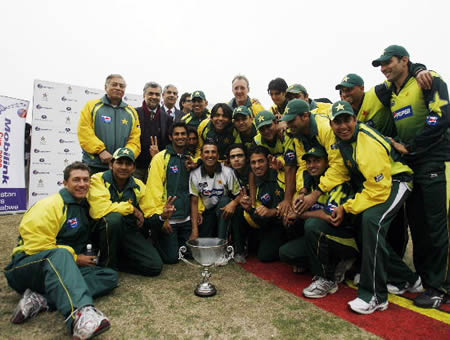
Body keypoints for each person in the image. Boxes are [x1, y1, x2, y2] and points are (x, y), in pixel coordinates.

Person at [372, 45, 449, 308]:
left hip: (433, 160)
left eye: (388, 62)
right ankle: (427, 282)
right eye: (380, 65)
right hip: (411, 167)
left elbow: (439, 117)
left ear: (404, 60)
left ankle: (440, 287)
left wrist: (412, 146)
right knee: (418, 227)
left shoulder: (429, 80)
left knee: (435, 227)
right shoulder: (390, 92)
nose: (383, 69)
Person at [4, 162, 117, 339]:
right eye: (76, 180)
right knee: (61, 254)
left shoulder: (85, 206)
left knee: (108, 276)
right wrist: (75, 258)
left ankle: (40, 299)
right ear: (65, 183)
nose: (82, 184)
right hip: (27, 266)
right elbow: (36, 247)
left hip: (58, 271)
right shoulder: (50, 205)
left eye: (86, 180)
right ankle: (81, 315)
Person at [328, 100, 422, 314]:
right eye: (337, 122)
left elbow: (379, 188)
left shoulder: (366, 141)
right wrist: (316, 190)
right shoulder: (342, 140)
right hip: (380, 184)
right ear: (332, 125)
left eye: (347, 120)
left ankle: (375, 296)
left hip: (398, 180)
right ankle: (409, 279)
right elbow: (341, 171)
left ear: (355, 119)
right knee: (366, 223)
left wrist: (347, 207)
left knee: (372, 221)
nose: (343, 126)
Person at [87, 148, 163, 277]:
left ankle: (116, 261)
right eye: (119, 163)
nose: (123, 167)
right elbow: (99, 209)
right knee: (114, 219)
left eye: (128, 164)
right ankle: (107, 267)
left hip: (128, 231)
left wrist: (162, 215)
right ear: (111, 164)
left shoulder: (138, 185)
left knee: (154, 267)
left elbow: (149, 209)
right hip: (100, 232)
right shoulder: (98, 179)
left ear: (133, 168)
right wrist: (132, 209)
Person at [280, 146, 354, 276]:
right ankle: (330, 262)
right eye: (309, 162)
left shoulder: (337, 183)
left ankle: (328, 275)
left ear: (326, 162)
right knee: (287, 252)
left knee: (312, 224)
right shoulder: (310, 183)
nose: (312, 165)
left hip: (345, 238)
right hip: (323, 236)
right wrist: (292, 215)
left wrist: (300, 214)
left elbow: (331, 216)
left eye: (317, 161)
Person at [277, 99, 348, 221]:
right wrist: (303, 192)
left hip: (343, 177)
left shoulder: (325, 128)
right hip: (321, 178)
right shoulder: (297, 133)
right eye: (287, 121)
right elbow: (303, 165)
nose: (288, 125)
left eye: (292, 120)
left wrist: (315, 194)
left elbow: (339, 166)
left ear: (305, 116)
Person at [143, 122, 193, 264]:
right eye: (176, 134)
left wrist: (199, 211)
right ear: (170, 137)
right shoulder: (160, 158)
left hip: (186, 219)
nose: (180, 137)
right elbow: (153, 189)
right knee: (172, 258)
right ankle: (155, 238)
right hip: (168, 219)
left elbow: (195, 189)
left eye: (183, 134)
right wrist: (162, 218)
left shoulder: (191, 159)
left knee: (189, 254)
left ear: (188, 137)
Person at [78, 74, 141, 174]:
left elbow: (135, 139)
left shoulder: (131, 111)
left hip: (120, 168)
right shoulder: (92, 106)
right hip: (94, 165)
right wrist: (101, 151)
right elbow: (85, 132)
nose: (118, 88)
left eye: (121, 86)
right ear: (105, 87)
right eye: (114, 85)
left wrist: (124, 156)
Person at [240, 145, 286, 262]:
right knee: (263, 255)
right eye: (253, 162)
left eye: (261, 161)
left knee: (271, 254)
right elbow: (261, 215)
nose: (257, 166)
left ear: (268, 161)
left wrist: (273, 211)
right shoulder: (255, 184)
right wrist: (249, 208)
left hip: (290, 223)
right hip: (272, 225)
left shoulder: (280, 174)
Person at [189, 143, 241, 239]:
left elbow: (239, 194)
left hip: (224, 208)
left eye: (213, 152)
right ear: (201, 155)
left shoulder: (228, 172)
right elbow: (194, 201)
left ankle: (223, 243)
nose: (210, 155)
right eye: (207, 152)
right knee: (204, 240)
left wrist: (233, 203)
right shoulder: (195, 174)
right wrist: (194, 231)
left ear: (217, 155)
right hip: (207, 211)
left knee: (225, 200)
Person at [134, 81, 173, 183]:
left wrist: (158, 154)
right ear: (144, 95)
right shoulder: (134, 113)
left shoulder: (167, 118)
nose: (154, 97)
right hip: (135, 167)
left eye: (157, 94)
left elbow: (169, 144)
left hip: (156, 167)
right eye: (150, 93)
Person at [226, 144, 251, 263]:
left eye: (240, 155)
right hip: (239, 210)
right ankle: (238, 249)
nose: (236, 159)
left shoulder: (254, 170)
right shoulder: (228, 173)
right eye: (233, 157)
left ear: (246, 158)